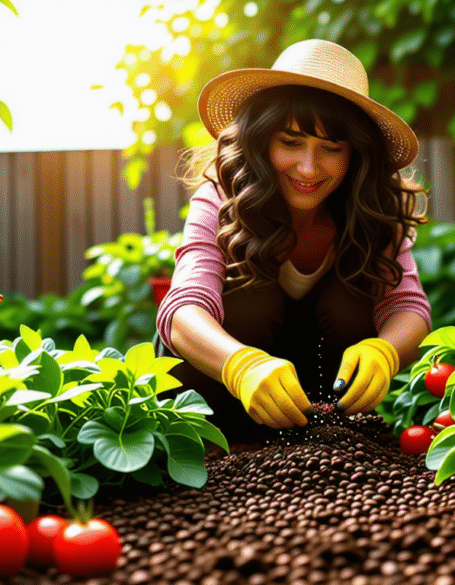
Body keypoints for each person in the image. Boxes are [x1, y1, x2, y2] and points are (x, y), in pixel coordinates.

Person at [155, 39, 431, 443]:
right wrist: (241, 366)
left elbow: (408, 306)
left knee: (351, 301)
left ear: (356, 154)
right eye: (290, 142)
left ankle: (320, 431)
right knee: (252, 298)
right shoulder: (221, 195)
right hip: (206, 408)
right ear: (262, 137)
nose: (308, 167)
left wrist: (385, 352)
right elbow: (183, 309)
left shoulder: (373, 211)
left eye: (330, 149)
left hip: (310, 418)